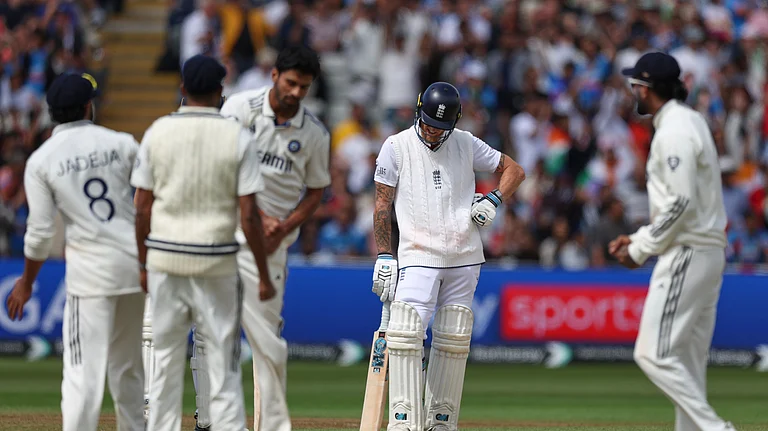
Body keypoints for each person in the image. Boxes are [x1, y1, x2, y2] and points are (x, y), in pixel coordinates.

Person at [131, 54, 276, 431]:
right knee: (218, 352)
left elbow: (141, 207)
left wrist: (143, 262)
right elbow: (248, 215)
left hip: (165, 257)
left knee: (162, 352)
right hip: (216, 260)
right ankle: (213, 422)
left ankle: (156, 422)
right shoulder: (237, 135)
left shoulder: (157, 131)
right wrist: (263, 273)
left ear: (182, 90)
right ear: (220, 93)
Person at [190, 44, 330, 431]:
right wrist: (260, 215)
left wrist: (283, 227)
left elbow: (316, 191)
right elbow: (217, 165)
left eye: (304, 87)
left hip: (271, 246)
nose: (296, 93)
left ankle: (271, 425)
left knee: (268, 339)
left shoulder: (315, 134)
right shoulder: (238, 108)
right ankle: (212, 420)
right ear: (274, 76)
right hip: (226, 228)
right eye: (291, 84)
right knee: (211, 329)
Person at [372, 82, 525, 431]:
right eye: (427, 123)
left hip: (465, 256)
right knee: (406, 333)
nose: (432, 131)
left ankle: (441, 422)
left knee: (454, 336)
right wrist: (385, 254)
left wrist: (493, 200)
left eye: (441, 127)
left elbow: (515, 170)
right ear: (418, 110)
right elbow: (382, 203)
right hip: (417, 255)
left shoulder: (466, 143)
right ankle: (403, 422)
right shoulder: (395, 146)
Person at [5, 73, 145, 431]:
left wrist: (26, 282)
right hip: (135, 267)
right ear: (88, 106)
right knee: (128, 368)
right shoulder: (122, 142)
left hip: (92, 274)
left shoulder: (42, 159)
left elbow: (38, 234)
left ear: (52, 112)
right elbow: (150, 195)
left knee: (83, 372)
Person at [610, 52, 736, 431]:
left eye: (636, 85)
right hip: (707, 249)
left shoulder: (676, 129)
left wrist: (639, 248)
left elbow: (681, 202)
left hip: (689, 251)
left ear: (648, 89)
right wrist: (638, 237)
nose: (632, 91)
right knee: (686, 360)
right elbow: (681, 201)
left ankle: (717, 429)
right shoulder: (689, 121)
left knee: (653, 354)